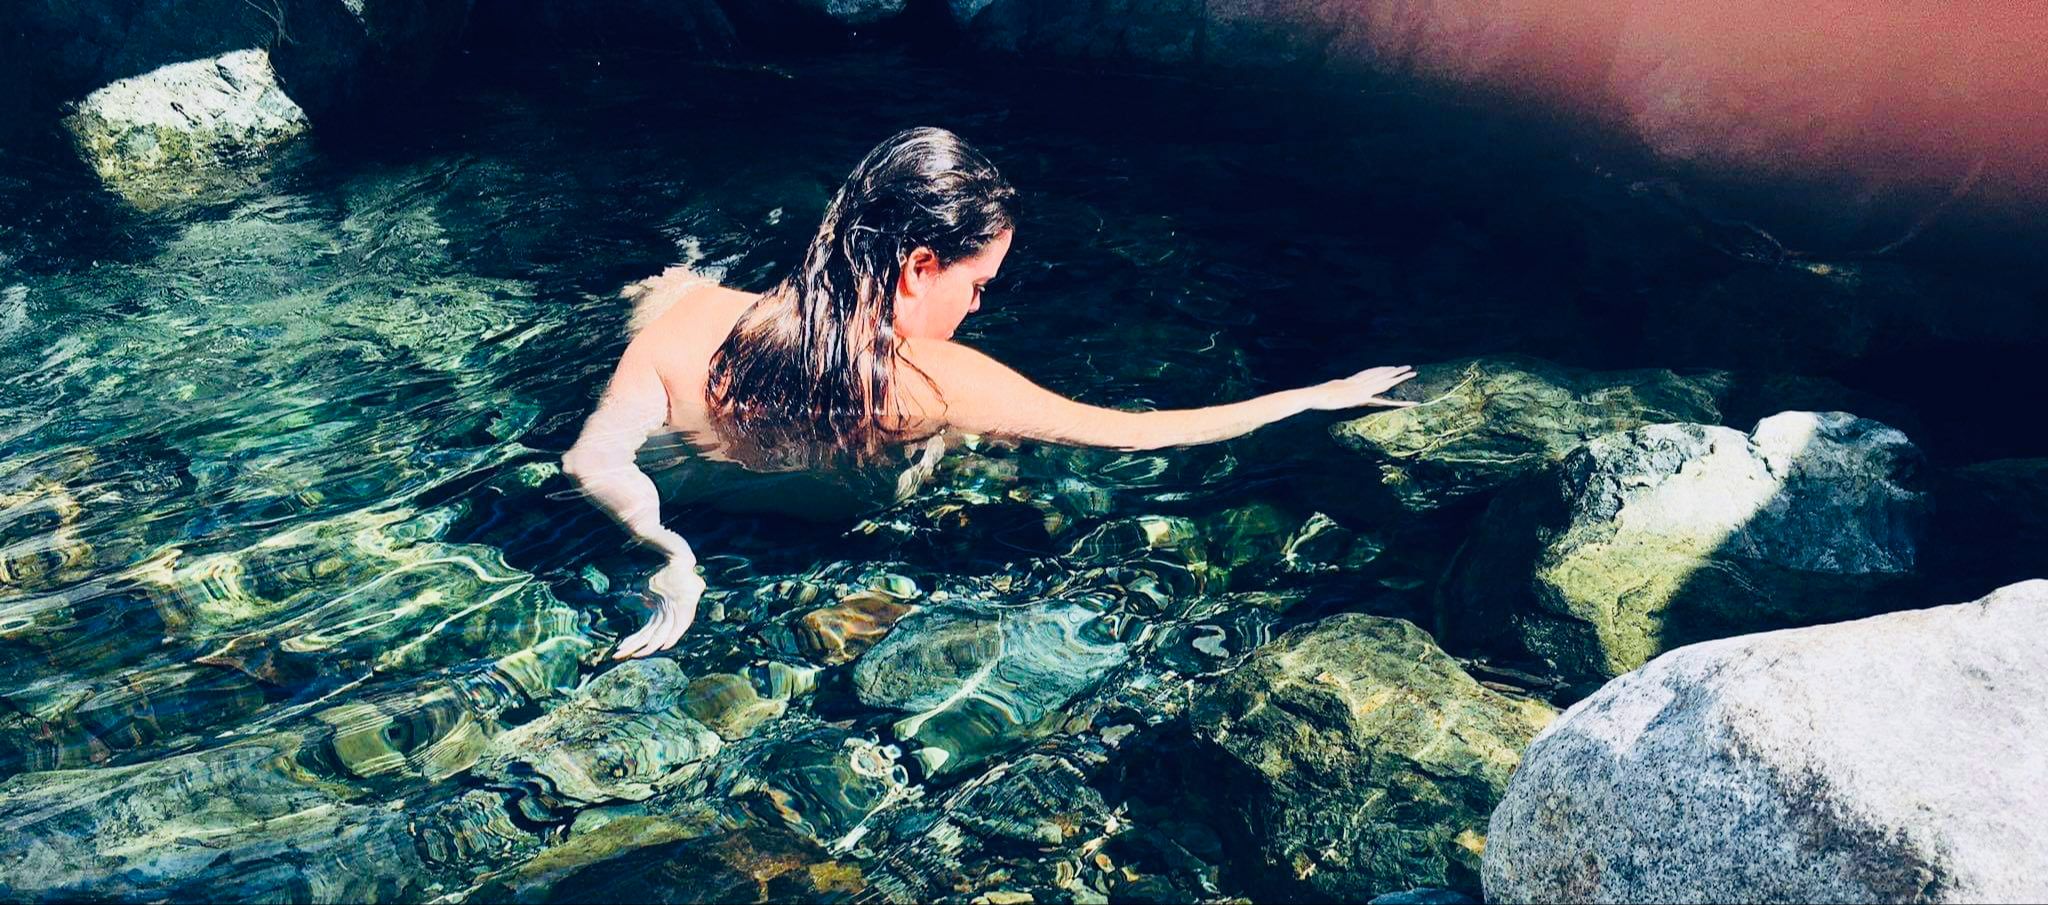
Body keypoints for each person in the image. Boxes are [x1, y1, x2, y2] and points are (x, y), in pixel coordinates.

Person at [563, 126, 1417, 659]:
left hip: (697, 444)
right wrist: (1314, 394)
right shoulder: (929, 383)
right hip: (838, 484)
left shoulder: (681, 323)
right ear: (918, 266)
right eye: (977, 285)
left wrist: (669, 556)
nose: (978, 308)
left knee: (662, 281)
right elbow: (1134, 432)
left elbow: (590, 460)